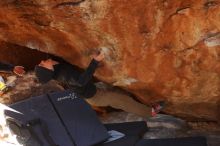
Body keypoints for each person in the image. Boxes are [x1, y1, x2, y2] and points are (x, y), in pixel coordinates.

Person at [34, 52, 164, 117]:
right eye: (42, 64)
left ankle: (144, 107)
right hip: (95, 96)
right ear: (48, 70)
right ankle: (150, 112)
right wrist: (95, 61)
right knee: (123, 100)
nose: (42, 61)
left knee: (120, 95)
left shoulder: (55, 65)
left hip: (93, 91)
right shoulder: (63, 75)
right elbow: (81, 81)